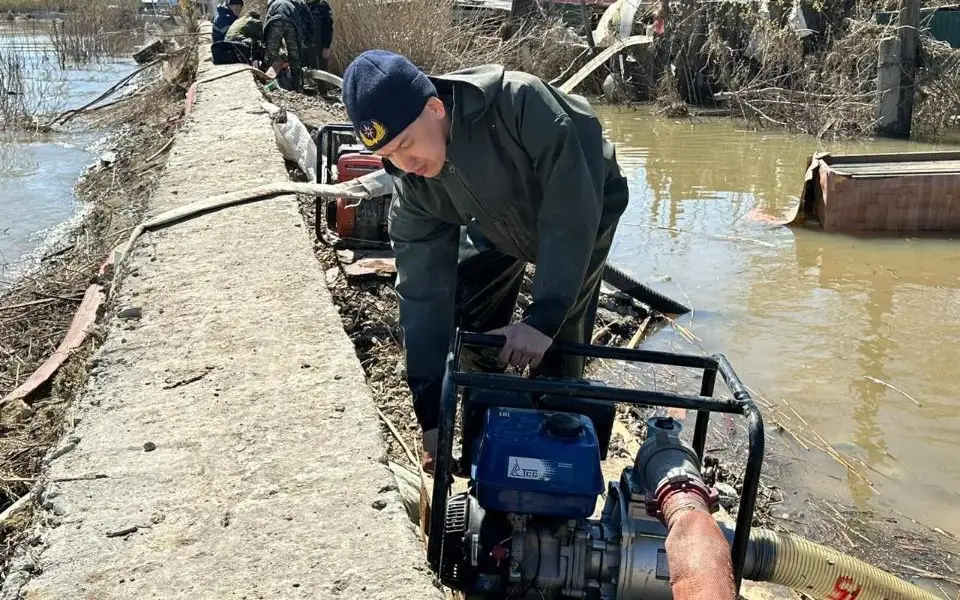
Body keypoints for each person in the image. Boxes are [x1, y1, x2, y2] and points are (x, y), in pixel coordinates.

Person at [341, 50, 629, 473]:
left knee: (558, 338)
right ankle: (488, 448)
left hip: (585, 202)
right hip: (491, 218)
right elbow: (422, 295)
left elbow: (569, 213)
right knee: (467, 315)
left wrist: (543, 318)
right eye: (389, 156)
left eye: (406, 145)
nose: (405, 165)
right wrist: (431, 418)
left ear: (435, 107)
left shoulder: (521, 104)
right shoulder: (414, 186)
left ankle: (556, 457)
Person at [263, 0, 315, 91]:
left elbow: (267, 21)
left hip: (275, 22)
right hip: (291, 24)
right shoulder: (298, 2)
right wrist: (306, 41)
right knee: (294, 57)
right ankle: (296, 87)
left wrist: (265, 41)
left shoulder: (272, 2)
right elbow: (309, 21)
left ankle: (272, 83)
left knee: (272, 55)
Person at [304, 0, 332, 72]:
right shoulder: (302, 5)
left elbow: (328, 28)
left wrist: (327, 46)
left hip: (320, 47)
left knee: (321, 72)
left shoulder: (323, 6)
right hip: (305, 47)